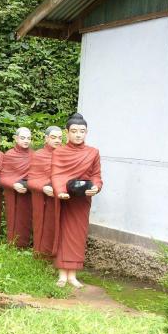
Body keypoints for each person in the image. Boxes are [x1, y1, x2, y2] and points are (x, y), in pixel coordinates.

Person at [51, 113, 102, 288]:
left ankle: (72, 275)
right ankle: (61, 274)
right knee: (63, 234)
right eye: (74, 131)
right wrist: (60, 191)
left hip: (82, 201)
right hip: (64, 199)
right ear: (67, 132)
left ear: (86, 132)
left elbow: (96, 176)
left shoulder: (93, 153)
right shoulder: (59, 152)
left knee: (77, 236)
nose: (78, 134)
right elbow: (56, 174)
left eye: (82, 131)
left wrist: (96, 187)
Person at [27, 126, 63, 257]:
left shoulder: (65, 154)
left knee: (59, 226)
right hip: (43, 198)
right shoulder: (38, 155)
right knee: (43, 227)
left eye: (60, 138)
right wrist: (43, 187)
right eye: (53, 137)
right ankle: (41, 255)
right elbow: (31, 180)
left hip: (60, 198)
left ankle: (58, 256)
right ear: (46, 138)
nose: (57, 140)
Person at [0, 127, 34, 247]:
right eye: (23, 138)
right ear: (16, 138)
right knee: (14, 219)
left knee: (27, 219)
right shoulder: (9, 155)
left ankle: (25, 244)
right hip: (13, 193)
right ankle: (13, 245)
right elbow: (3, 177)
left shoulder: (33, 155)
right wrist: (14, 184)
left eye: (29, 138)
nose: (26, 141)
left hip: (29, 192)